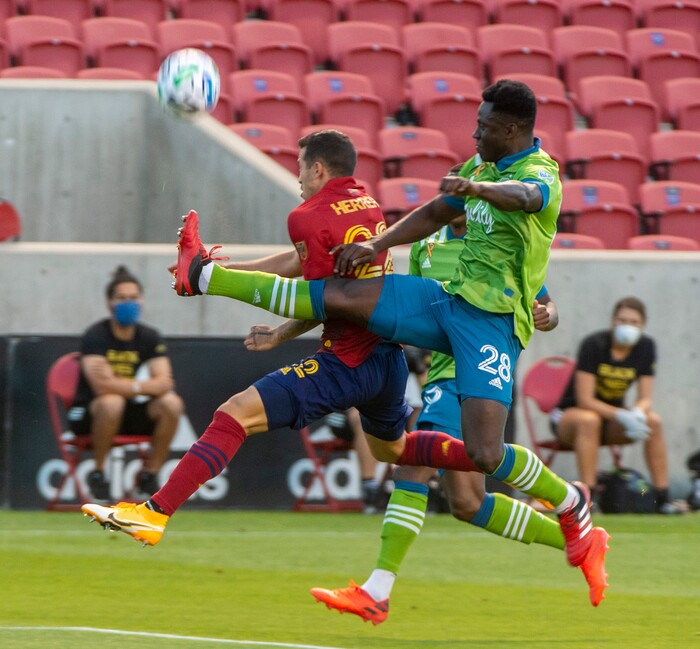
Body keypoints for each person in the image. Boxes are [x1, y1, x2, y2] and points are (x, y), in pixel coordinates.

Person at [86, 83, 611, 599]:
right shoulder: (468, 186)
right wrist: (377, 245)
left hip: (489, 327)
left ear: (513, 129)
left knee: (482, 455)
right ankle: (202, 276)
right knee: (346, 308)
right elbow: (433, 214)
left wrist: (481, 199)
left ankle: (570, 506)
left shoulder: (537, 174)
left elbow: (526, 200)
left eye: (484, 125)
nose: (474, 133)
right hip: (439, 308)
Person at [305, 210, 583, 623]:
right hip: (440, 373)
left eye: (460, 196)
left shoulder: (496, 244)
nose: (453, 204)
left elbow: (546, 302)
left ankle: (377, 591)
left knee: (413, 465)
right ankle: (578, 535)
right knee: (467, 503)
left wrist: (548, 314)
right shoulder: (423, 248)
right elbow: (414, 309)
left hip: (474, 371)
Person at [551, 296, 681, 515]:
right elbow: (585, 400)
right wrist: (622, 414)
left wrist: (638, 411)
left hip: (610, 421)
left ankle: (662, 498)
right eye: (622, 320)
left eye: (634, 322)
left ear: (643, 325)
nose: (627, 326)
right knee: (589, 420)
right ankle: (588, 499)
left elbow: (645, 396)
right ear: (612, 321)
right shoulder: (594, 344)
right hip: (571, 418)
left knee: (653, 421)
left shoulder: (646, 347)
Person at [67, 265, 184, 500]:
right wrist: (141, 387)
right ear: (109, 303)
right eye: (121, 298)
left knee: (171, 404)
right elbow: (101, 387)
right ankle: (99, 473)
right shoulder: (96, 335)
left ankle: (150, 475)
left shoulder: (149, 336)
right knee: (112, 402)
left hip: (132, 412)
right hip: (92, 414)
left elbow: (164, 382)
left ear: (141, 301)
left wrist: (123, 384)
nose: (128, 303)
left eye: (133, 298)